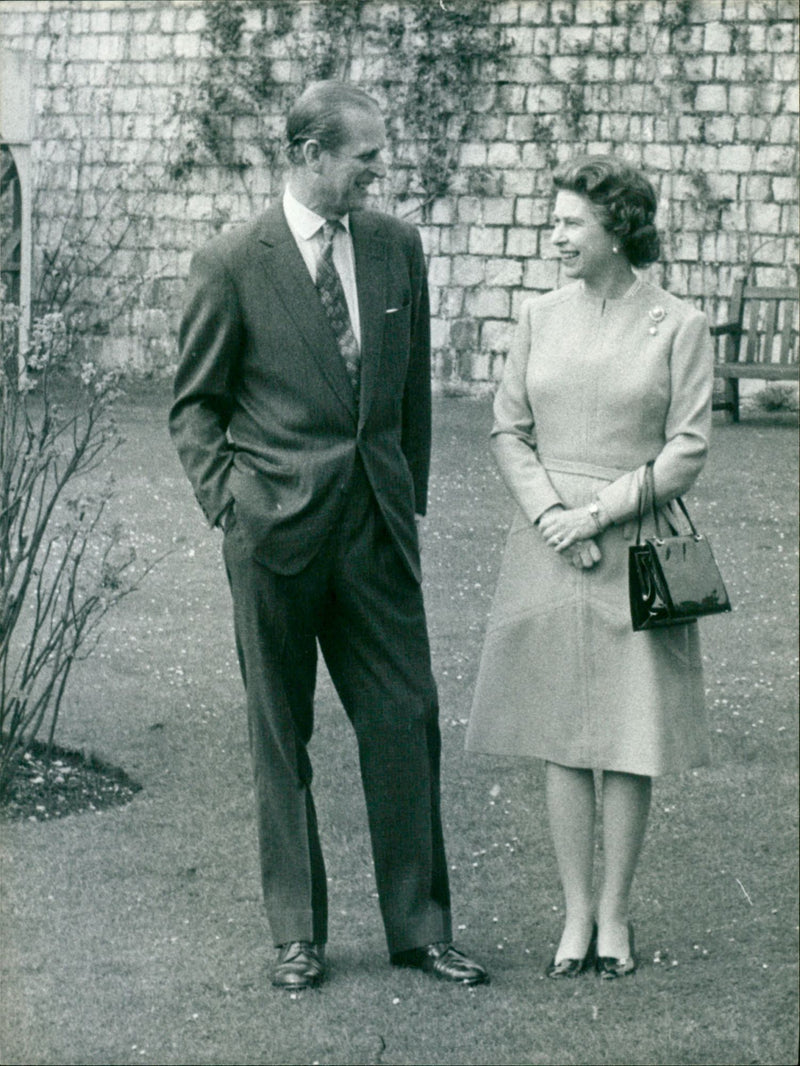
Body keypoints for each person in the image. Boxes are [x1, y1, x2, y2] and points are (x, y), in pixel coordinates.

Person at [169, 81, 488, 991]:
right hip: (272, 537)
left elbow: (410, 393)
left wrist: (404, 497)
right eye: (366, 158)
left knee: (407, 719)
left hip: (376, 534)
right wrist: (234, 504)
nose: (379, 173)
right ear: (310, 154)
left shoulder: (396, 248)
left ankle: (421, 928)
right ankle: (297, 935)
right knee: (282, 733)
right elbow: (194, 406)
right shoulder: (233, 261)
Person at [466, 154, 714, 979]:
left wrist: (597, 514)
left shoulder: (678, 325)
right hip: (548, 551)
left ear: (618, 230)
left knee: (631, 734)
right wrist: (550, 518)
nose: (557, 234)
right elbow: (509, 429)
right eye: (558, 220)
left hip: (636, 545)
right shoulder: (538, 316)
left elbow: (686, 450)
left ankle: (615, 915)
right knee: (562, 735)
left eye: (572, 222)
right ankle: (574, 915)